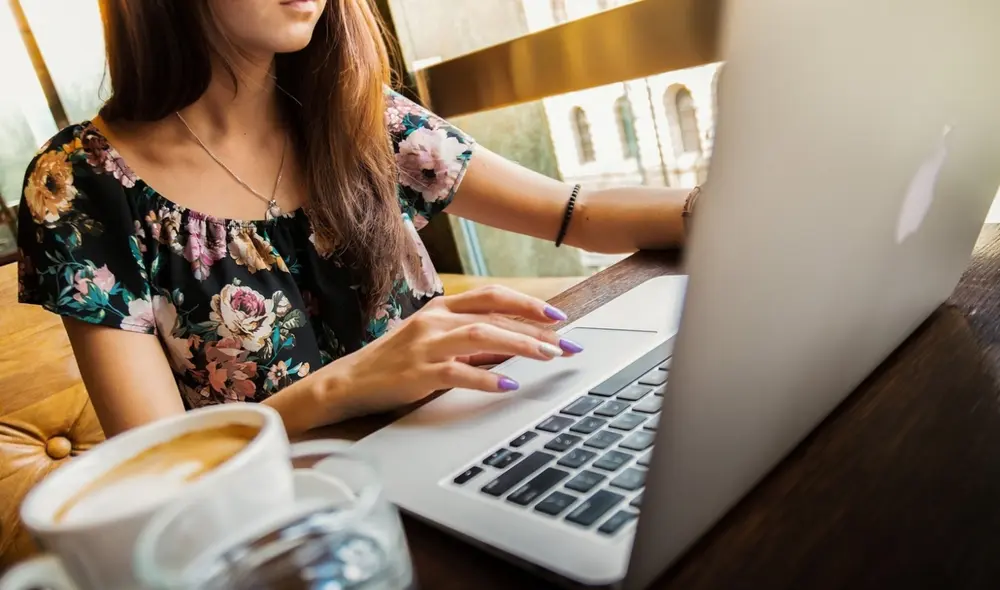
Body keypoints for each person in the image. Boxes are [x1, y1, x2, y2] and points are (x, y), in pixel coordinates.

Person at [16, 0, 697, 438]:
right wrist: (344, 386)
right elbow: (157, 462)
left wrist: (726, 206)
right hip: (286, 525)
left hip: (462, 442)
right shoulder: (80, 183)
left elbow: (572, 213)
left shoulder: (357, 113)